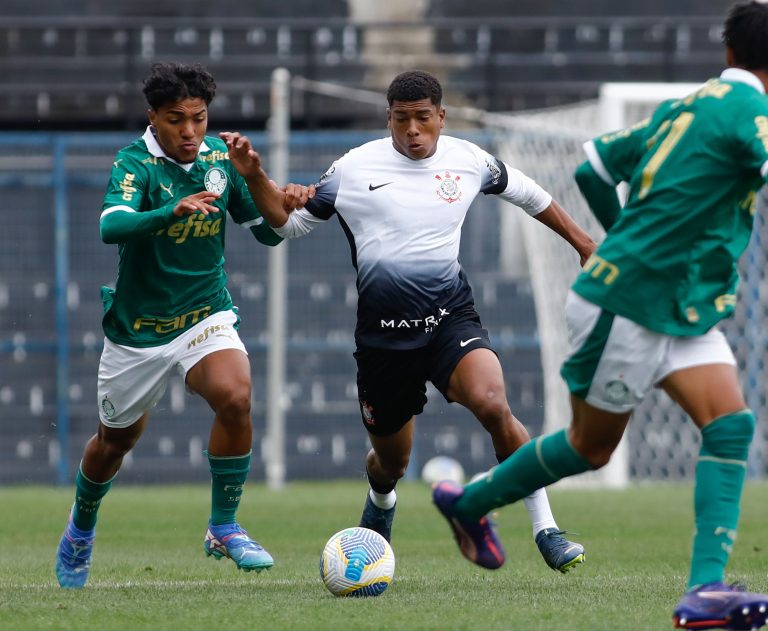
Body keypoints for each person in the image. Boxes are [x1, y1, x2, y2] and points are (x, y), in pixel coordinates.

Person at [430, 2, 768, 628]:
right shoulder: (750, 115)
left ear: (728, 54)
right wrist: (626, 259)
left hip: (672, 304)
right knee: (591, 446)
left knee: (729, 424)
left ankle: (704, 592)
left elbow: (593, 164)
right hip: (626, 305)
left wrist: (617, 242)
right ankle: (470, 503)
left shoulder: (686, 107)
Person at [219, 69, 597, 573]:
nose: (413, 130)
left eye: (423, 118)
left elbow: (532, 196)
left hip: (449, 319)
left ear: (441, 117)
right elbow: (287, 226)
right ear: (389, 119)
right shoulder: (354, 168)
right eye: (402, 120)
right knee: (390, 463)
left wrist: (584, 243)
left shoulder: (470, 160)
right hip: (383, 341)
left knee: (492, 403)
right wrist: (255, 178)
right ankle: (381, 501)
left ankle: (546, 528)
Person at [54, 62, 312, 588]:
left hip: (204, 314)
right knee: (113, 444)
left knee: (235, 395)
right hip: (139, 331)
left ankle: (224, 526)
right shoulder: (134, 164)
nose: (190, 131)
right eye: (177, 120)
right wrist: (170, 212)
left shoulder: (220, 158)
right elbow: (111, 226)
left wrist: (257, 177)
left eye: (199, 118)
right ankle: (81, 528)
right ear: (153, 117)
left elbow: (272, 233)